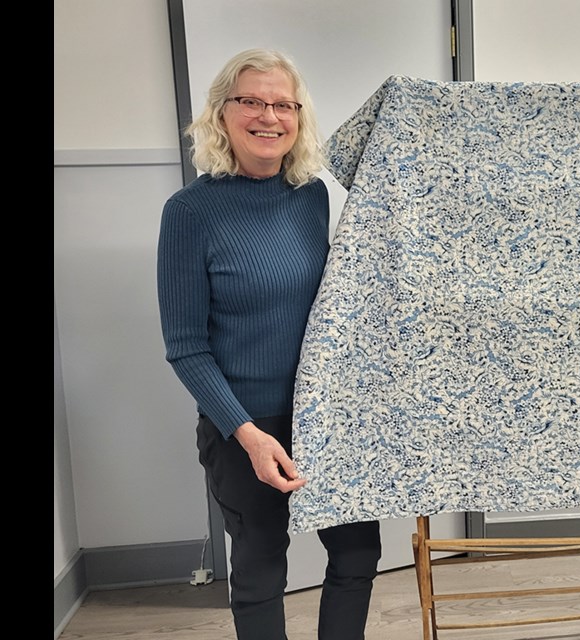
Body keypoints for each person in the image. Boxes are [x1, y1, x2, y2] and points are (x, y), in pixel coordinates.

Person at [157, 48, 381, 640]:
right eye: (252, 101)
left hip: (329, 417)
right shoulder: (189, 212)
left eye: (284, 103)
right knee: (259, 571)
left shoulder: (313, 197)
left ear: (299, 117)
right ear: (222, 114)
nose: (269, 116)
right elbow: (185, 346)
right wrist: (249, 435)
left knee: (357, 558)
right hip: (245, 425)